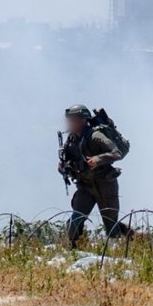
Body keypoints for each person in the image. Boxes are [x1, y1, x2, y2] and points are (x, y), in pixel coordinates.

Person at [58, 104, 134, 248]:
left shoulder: (95, 136)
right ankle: (74, 252)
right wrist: (63, 167)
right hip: (85, 187)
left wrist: (98, 160)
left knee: (111, 227)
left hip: (105, 185)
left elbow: (117, 152)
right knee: (75, 222)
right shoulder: (71, 139)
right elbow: (68, 161)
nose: (70, 123)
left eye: (73, 119)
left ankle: (133, 241)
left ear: (82, 120)